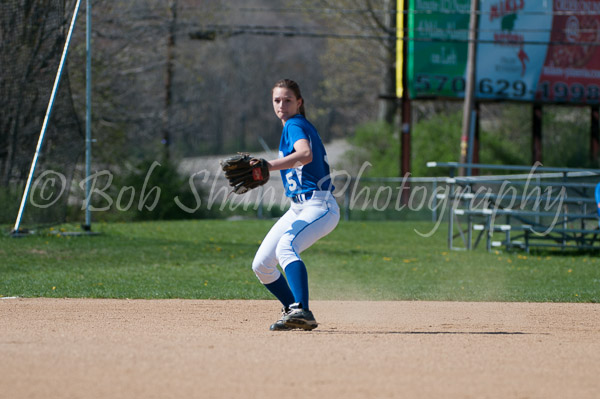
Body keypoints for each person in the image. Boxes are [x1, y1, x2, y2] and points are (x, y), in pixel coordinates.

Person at [251, 79, 340, 331]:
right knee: (261, 265)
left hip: (319, 206)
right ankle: (294, 311)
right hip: (298, 208)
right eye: (277, 100)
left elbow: (305, 155)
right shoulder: (293, 125)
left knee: (287, 246)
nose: (282, 104)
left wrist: (267, 165)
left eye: (288, 100)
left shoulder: (294, 124)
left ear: (299, 103)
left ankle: (302, 309)